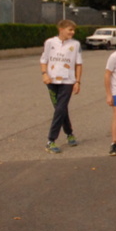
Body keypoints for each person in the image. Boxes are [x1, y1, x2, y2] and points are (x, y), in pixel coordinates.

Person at [39, 19, 83, 154]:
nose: (72, 32)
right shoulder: (50, 42)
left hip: (68, 81)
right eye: (70, 29)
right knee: (60, 109)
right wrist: (44, 74)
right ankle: (69, 133)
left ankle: (50, 141)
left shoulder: (75, 44)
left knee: (60, 109)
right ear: (61, 29)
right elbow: (44, 60)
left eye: (73, 30)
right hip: (51, 81)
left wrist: (77, 81)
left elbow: (78, 64)